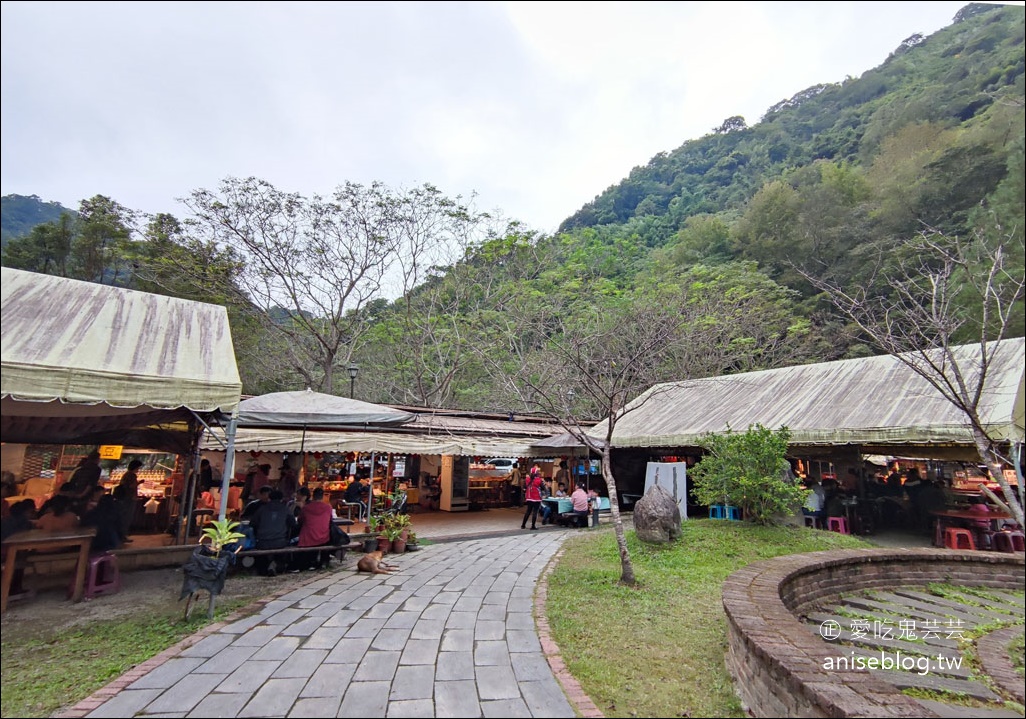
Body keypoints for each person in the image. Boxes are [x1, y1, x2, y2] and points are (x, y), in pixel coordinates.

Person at [249, 489, 297, 576]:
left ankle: (264, 568)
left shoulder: (262, 509)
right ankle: (275, 564)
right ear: (282, 499)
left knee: (262, 556)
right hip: (280, 542)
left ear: (269, 498)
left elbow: (252, 523)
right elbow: (293, 524)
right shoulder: (285, 509)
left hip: (262, 542)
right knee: (284, 549)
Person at [295, 487, 334, 571]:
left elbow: (300, 520)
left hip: (308, 538)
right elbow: (330, 520)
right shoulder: (328, 507)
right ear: (322, 496)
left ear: (313, 496)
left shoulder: (306, 508)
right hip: (324, 537)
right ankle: (323, 561)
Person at [116, 460, 142, 541]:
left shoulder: (126, 474)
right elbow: (131, 486)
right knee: (127, 517)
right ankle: (123, 535)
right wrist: (139, 483)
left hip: (124, 498)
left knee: (124, 516)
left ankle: (121, 534)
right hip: (129, 498)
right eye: (138, 468)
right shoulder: (132, 475)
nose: (139, 469)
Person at [520, 464, 545, 530]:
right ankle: (533, 526)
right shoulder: (539, 480)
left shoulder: (527, 479)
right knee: (535, 512)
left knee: (528, 511)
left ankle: (523, 525)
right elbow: (543, 488)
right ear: (536, 473)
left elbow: (525, 487)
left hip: (529, 497)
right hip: (536, 498)